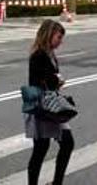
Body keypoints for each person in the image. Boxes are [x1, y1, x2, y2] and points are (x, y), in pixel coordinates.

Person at [26, 19, 74, 185]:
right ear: (49, 34)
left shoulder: (50, 54)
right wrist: (56, 81)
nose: (60, 41)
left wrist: (55, 80)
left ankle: (57, 182)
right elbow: (38, 81)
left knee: (66, 143)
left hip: (52, 106)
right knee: (41, 148)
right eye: (59, 37)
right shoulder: (38, 55)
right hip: (43, 107)